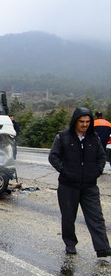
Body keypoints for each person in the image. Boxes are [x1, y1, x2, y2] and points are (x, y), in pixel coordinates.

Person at [48, 107, 111, 257]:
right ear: (75, 121)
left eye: (88, 121)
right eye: (81, 121)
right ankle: (70, 244)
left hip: (89, 185)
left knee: (96, 217)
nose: (84, 124)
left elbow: (102, 157)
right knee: (69, 217)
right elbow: (53, 157)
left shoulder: (94, 138)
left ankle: (102, 248)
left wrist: (97, 171)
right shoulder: (63, 137)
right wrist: (65, 171)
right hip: (68, 185)